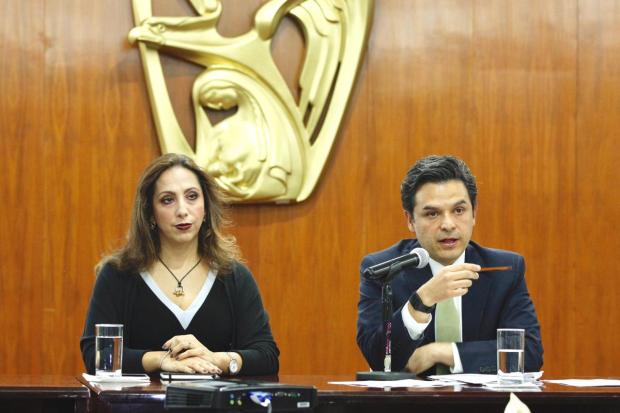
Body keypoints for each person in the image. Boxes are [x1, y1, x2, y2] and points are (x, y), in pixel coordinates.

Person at [80, 153, 279, 375]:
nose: (182, 210)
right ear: (150, 213)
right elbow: (96, 355)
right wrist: (161, 360)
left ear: (206, 208)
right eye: (168, 200)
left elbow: (267, 356)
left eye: (192, 196)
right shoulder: (118, 274)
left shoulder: (233, 275)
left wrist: (217, 359)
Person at [356, 155, 543, 375]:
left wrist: (441, 352)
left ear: (474, 213)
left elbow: (528, 353)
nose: (448, 224)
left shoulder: (505, 270)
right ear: (410, 220)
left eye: (459, 210)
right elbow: (378, 359)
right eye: (432, 213)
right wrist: (421, 301)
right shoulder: (384, 270)